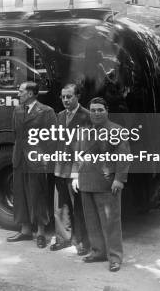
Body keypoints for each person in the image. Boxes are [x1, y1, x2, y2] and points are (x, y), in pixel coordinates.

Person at [78, 97, 130, 272]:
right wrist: (76, 177)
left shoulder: (116, 130)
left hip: (107, 183)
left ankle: (115, 257)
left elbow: (123, 156)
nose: (96, 113)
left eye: (100, 109)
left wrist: (119, 179)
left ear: (107, 111)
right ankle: (98, 251)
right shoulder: (85, 131)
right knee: (91, 221)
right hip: (86, 180)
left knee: (110, 222)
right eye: (93, 110)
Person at [6, 81, 56, 249]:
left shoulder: (46, 111)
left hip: (37, 159)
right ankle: (25, 230)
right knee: (20, 194)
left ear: (31, 94)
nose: (18, 94)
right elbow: (16, 133)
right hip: (19, 158)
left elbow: (52, 137)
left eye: (20, 91)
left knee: (38, 195)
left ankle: (41, 232)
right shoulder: (17, 110)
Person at [51, 84, 91, 254]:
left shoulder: (87, 117)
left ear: (77, 97)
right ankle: (63, 239)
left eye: (69, 96)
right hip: (60, 168)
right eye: (63, 97)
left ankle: (81, 242)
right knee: (60, 207)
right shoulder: (59, 116)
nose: (65, 100)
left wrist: (77, 174)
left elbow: (86, 148)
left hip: (76, 171)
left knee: (79, 208)